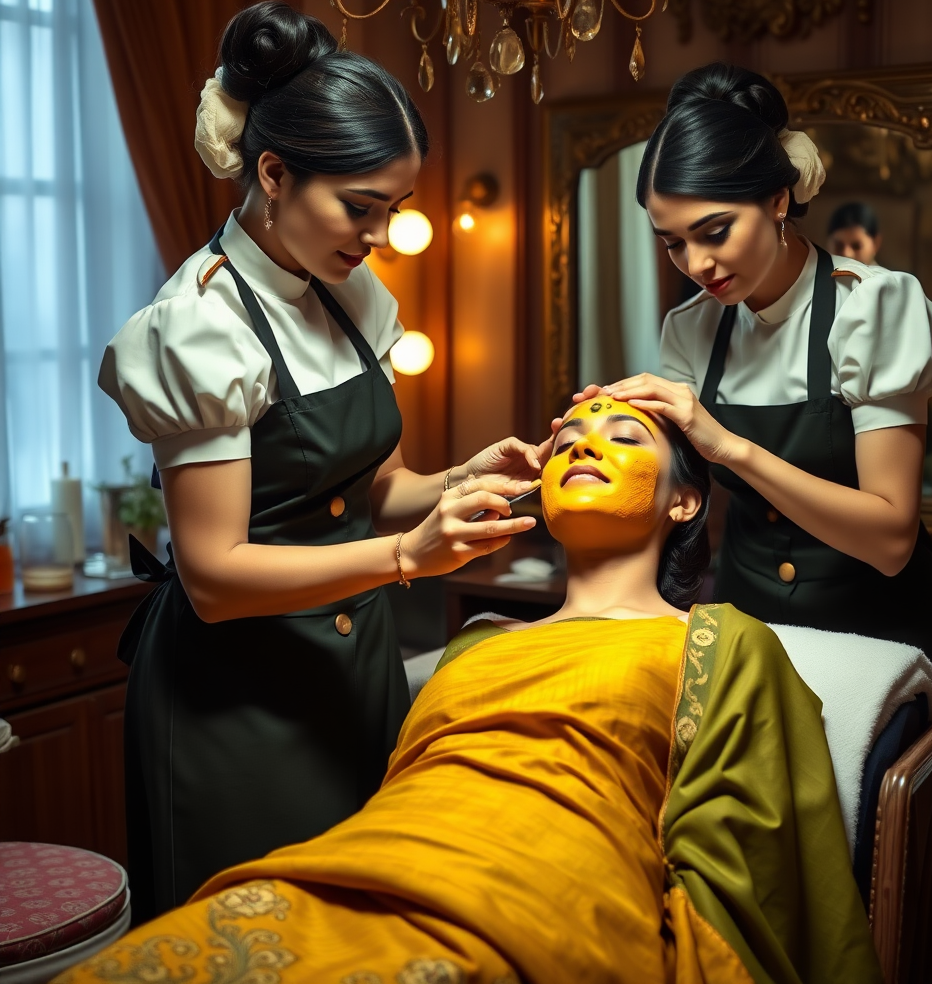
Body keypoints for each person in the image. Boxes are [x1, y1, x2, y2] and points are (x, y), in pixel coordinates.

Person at [56, 397, 882, 984]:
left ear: (684, 500)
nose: (582, 446)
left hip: (550, 892)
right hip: (369, 863)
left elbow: (749, 850)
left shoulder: (720, 642)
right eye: (567, 440)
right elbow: (407, 790)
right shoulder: (477, 641)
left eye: (622, 436)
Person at [99, 1, 543, 922]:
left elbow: (375, 490)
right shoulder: (200, 327)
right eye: (360, 206)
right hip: (235, 701)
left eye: (393, 209)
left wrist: (461, 479)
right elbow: (215, 576)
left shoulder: (351, 295)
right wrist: (408, 560)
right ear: (273, 173)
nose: (377, 234)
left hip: (350, 674)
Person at [573, 63, 932, 669]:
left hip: (880, 638)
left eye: (715, 230)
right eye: (673, 242)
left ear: (778, 200)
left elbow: (890, 539)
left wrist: (732, 448)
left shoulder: (874, 308)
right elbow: (669, 491)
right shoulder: (692, 327)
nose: (697, 263)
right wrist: (595, 438)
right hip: (751, 627)